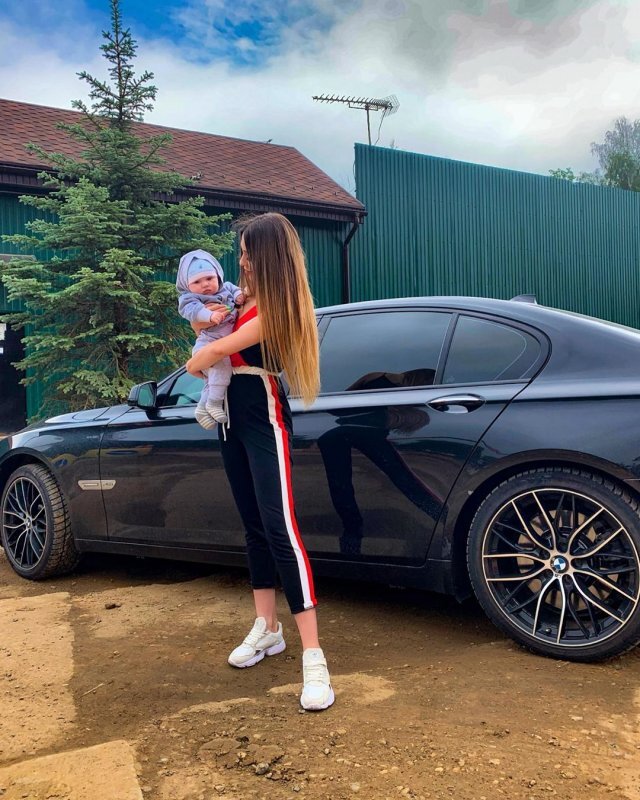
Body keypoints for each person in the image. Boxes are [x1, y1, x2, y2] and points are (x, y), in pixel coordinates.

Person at [185, 213, 334, 712]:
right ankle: (267, 627)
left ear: (267, 255)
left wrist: (205, 347)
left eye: (247, 252)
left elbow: (202, 359)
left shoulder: (278, 306)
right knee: (252, 525)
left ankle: (313, 655)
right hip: (230, 416)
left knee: (280, 528)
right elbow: (202, 335)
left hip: (263, 413)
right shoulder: (240, 300)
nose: (241, 260)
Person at [176, 249, 244, 429]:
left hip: (223, 341)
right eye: (197, 282)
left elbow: (236, 291)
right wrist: (209, 316)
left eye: (209, 278)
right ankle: (214, 403)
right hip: (208, 342)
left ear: (218, 276)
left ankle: (201, 408)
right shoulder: (190, 298)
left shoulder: (226, 287)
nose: (205, 285)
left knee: (213, 377)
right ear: (187, 285)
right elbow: (192, 311)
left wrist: (239, 296)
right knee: (222, 368)